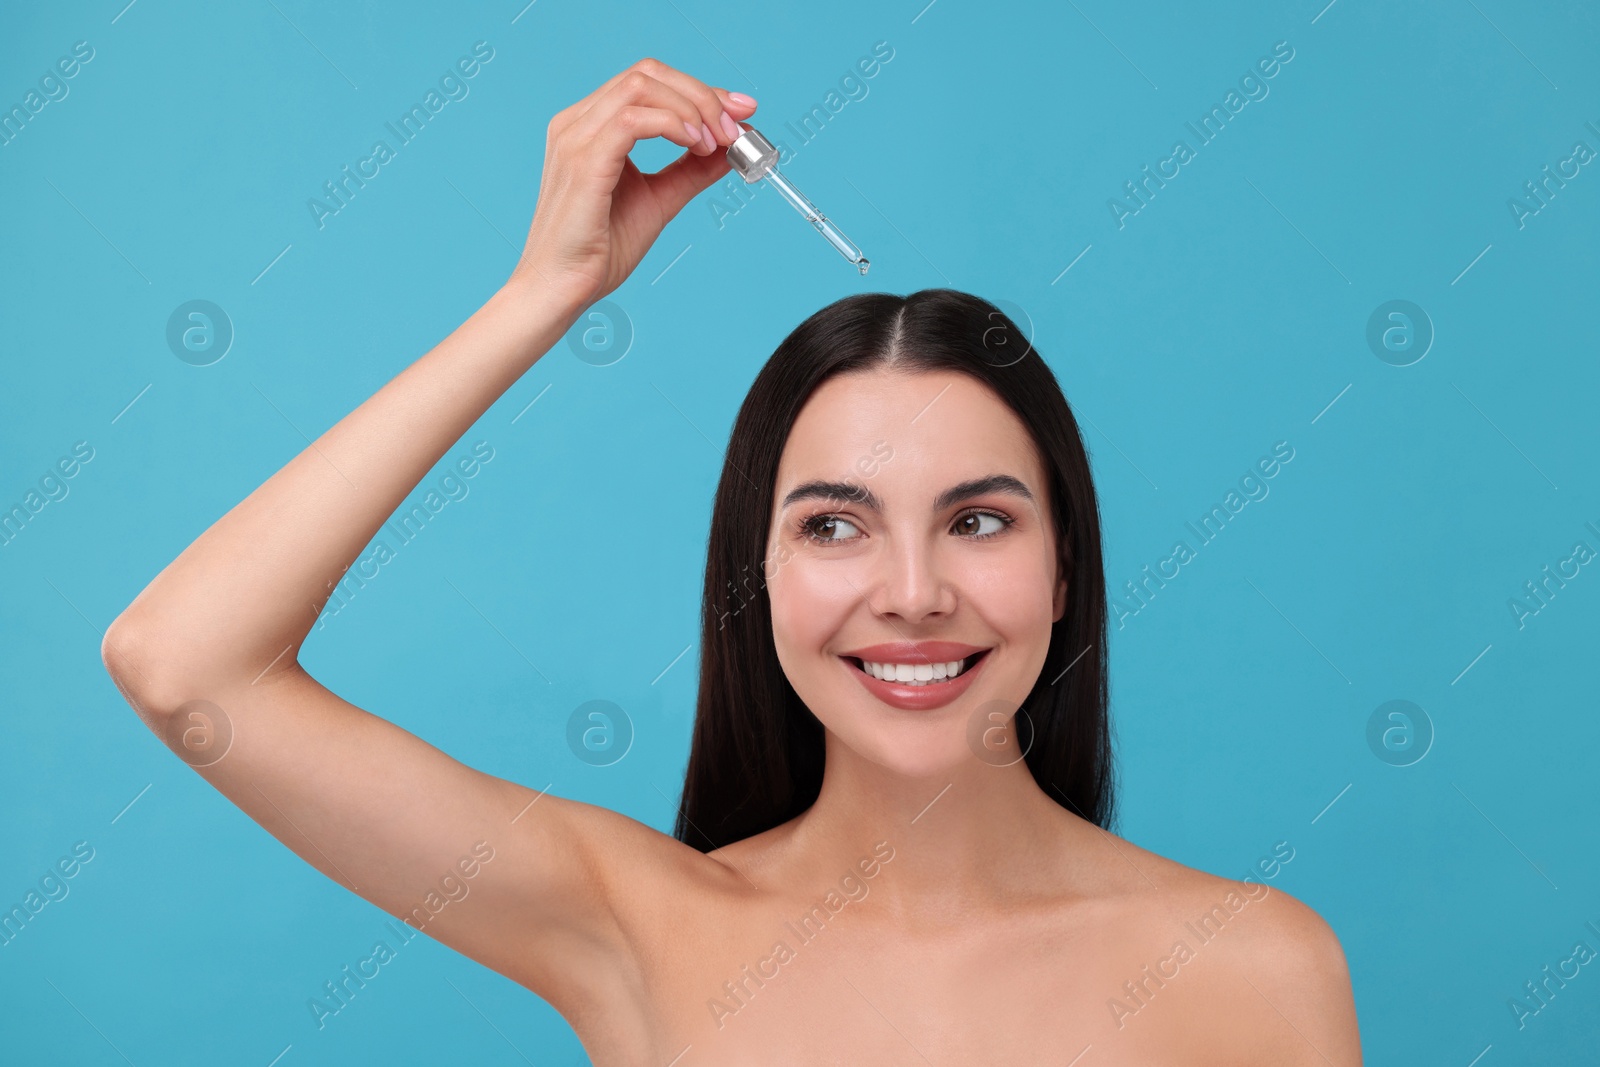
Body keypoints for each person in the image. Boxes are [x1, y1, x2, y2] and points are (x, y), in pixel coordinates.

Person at [102, 58, 1361, 1065]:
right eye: (832, 524)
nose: (912, 590)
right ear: (751, 579)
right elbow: (184, 662)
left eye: (978, 520)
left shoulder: (1249, 962)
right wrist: (545, 292)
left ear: (1065, 569)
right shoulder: (636, 924)